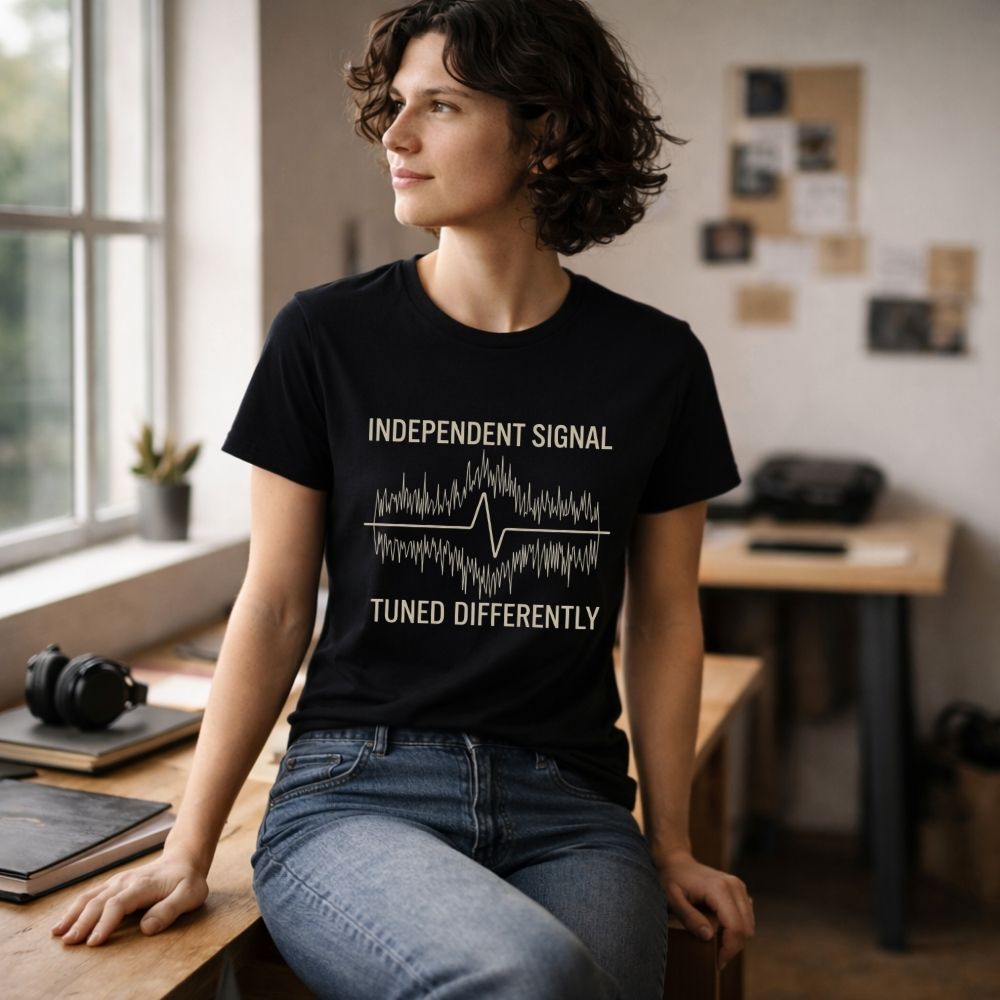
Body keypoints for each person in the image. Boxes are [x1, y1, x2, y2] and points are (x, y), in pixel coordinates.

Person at [50, 0, 755, 995]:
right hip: (358, 793)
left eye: (442, 106)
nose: (395, 134)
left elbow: (667, 615)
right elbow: (275, 604)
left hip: (572, 808)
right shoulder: (323, 338)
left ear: (545, 134)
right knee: (531, 974)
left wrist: (670, 842)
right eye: (396, 104)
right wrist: (187, 846)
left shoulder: (656, 363)